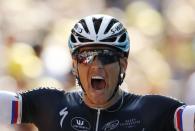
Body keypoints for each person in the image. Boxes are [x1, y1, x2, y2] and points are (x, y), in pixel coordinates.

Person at [0, 14, 194, 131]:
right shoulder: (48, 104)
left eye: (107, 56)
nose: (97, 66)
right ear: (74, 65)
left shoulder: (152, 110)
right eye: (86, 57)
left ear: (124, 65)